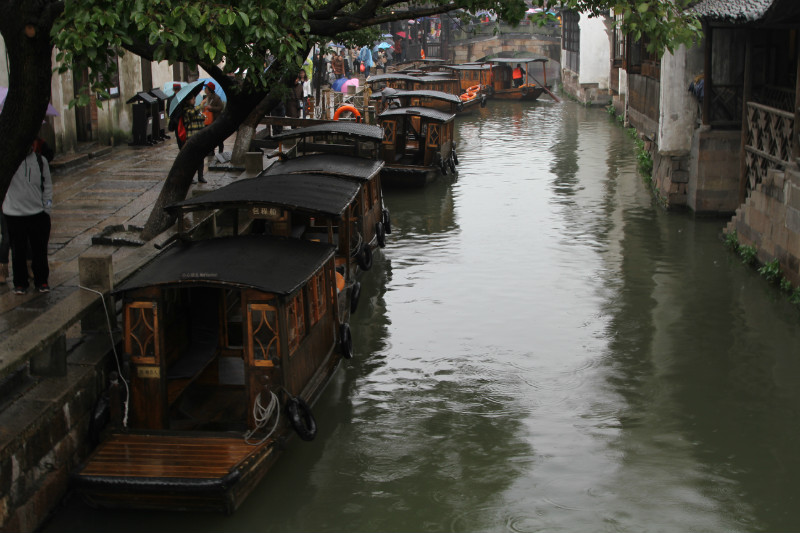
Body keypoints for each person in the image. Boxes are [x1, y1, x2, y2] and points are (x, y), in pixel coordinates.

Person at [2, 141, 53, 294]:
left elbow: (48, 185)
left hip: (37, 213)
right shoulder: (7, 161)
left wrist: (47, 208)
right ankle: (20, 283)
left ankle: (42, 281)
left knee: (39, 250)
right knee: (18, 251)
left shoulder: (40, 161)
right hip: (13, 214)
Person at [168, 97, 207, 182]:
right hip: (191, 136)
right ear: (187, 101)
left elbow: (201, 117)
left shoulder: (195, 108)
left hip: (200, 135)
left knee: (200, 157)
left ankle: (200, 176)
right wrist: (201, 105)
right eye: (192, 99)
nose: (194, 100)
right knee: (191, 158)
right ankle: (190, 177)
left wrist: (202, 114)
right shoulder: (186, 110)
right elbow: (192, 113)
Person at [201, 81, 225, 153]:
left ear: (210, 89)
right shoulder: (207, 97)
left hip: (216, 119)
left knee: (218, 137)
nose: (205, 89)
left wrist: (212, 108)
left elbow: (221, 107)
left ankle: (220, 150)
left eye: (206, 88)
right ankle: (211, 151)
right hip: (208, 120)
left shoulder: (217, 98)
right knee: (210, 137)